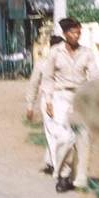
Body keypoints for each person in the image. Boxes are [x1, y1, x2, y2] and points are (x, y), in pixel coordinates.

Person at [41, 17, 99, 192]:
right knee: (64, 138)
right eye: (73, 32)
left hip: (81, 97)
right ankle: (64, 175)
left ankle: (80, 177)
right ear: (65, 34)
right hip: (60, 96)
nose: (77, 35)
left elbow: (95, 76)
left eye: (78, 32)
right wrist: (49, 101)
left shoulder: (87, 53)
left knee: (82, 137)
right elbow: (48, 77)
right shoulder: (55, 52)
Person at [26, 35, 64, 174]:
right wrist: (30, 106)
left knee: (63, 133)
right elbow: (33, 86)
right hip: (48, 102)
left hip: (64, 101)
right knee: (51, 133)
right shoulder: (42, 64)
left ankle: (52, 161)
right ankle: (57, 166)